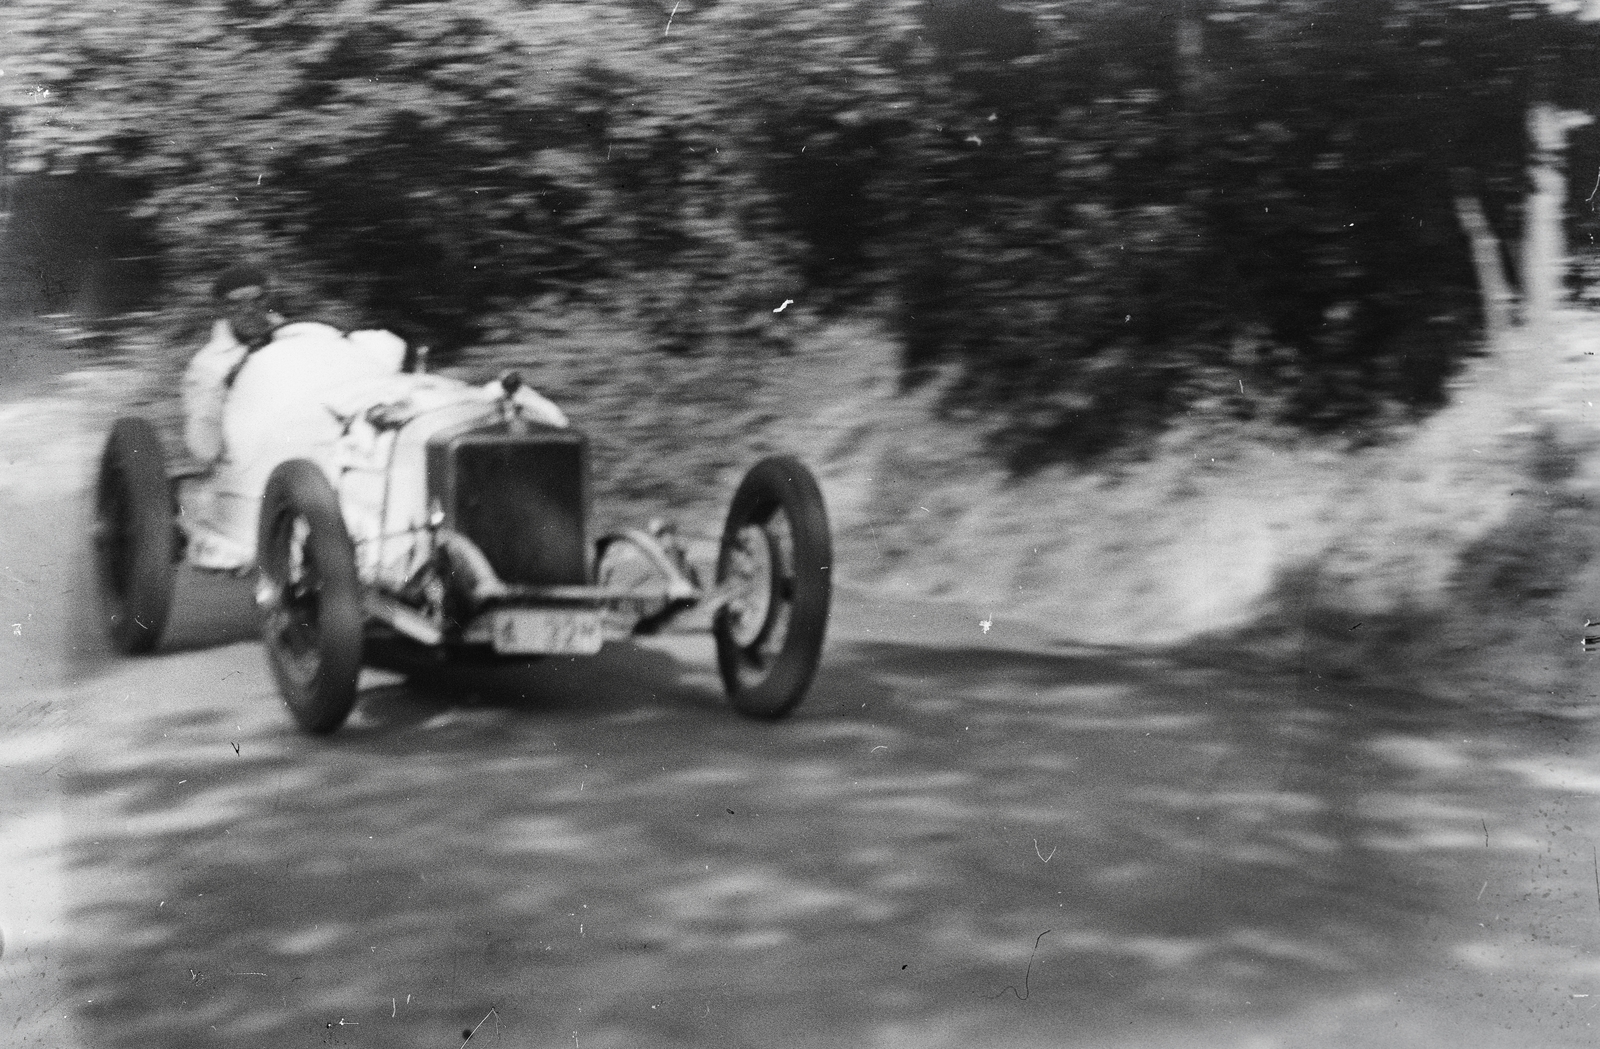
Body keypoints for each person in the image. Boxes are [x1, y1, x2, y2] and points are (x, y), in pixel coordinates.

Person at [181, 263, 284, 465]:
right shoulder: (207, 366)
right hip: (248, 468)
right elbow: (204, 450)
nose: (249, 310)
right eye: (236, 304)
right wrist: (224, 389)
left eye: (257, 300)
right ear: (221, 309)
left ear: (269, 300)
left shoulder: (296, 339)